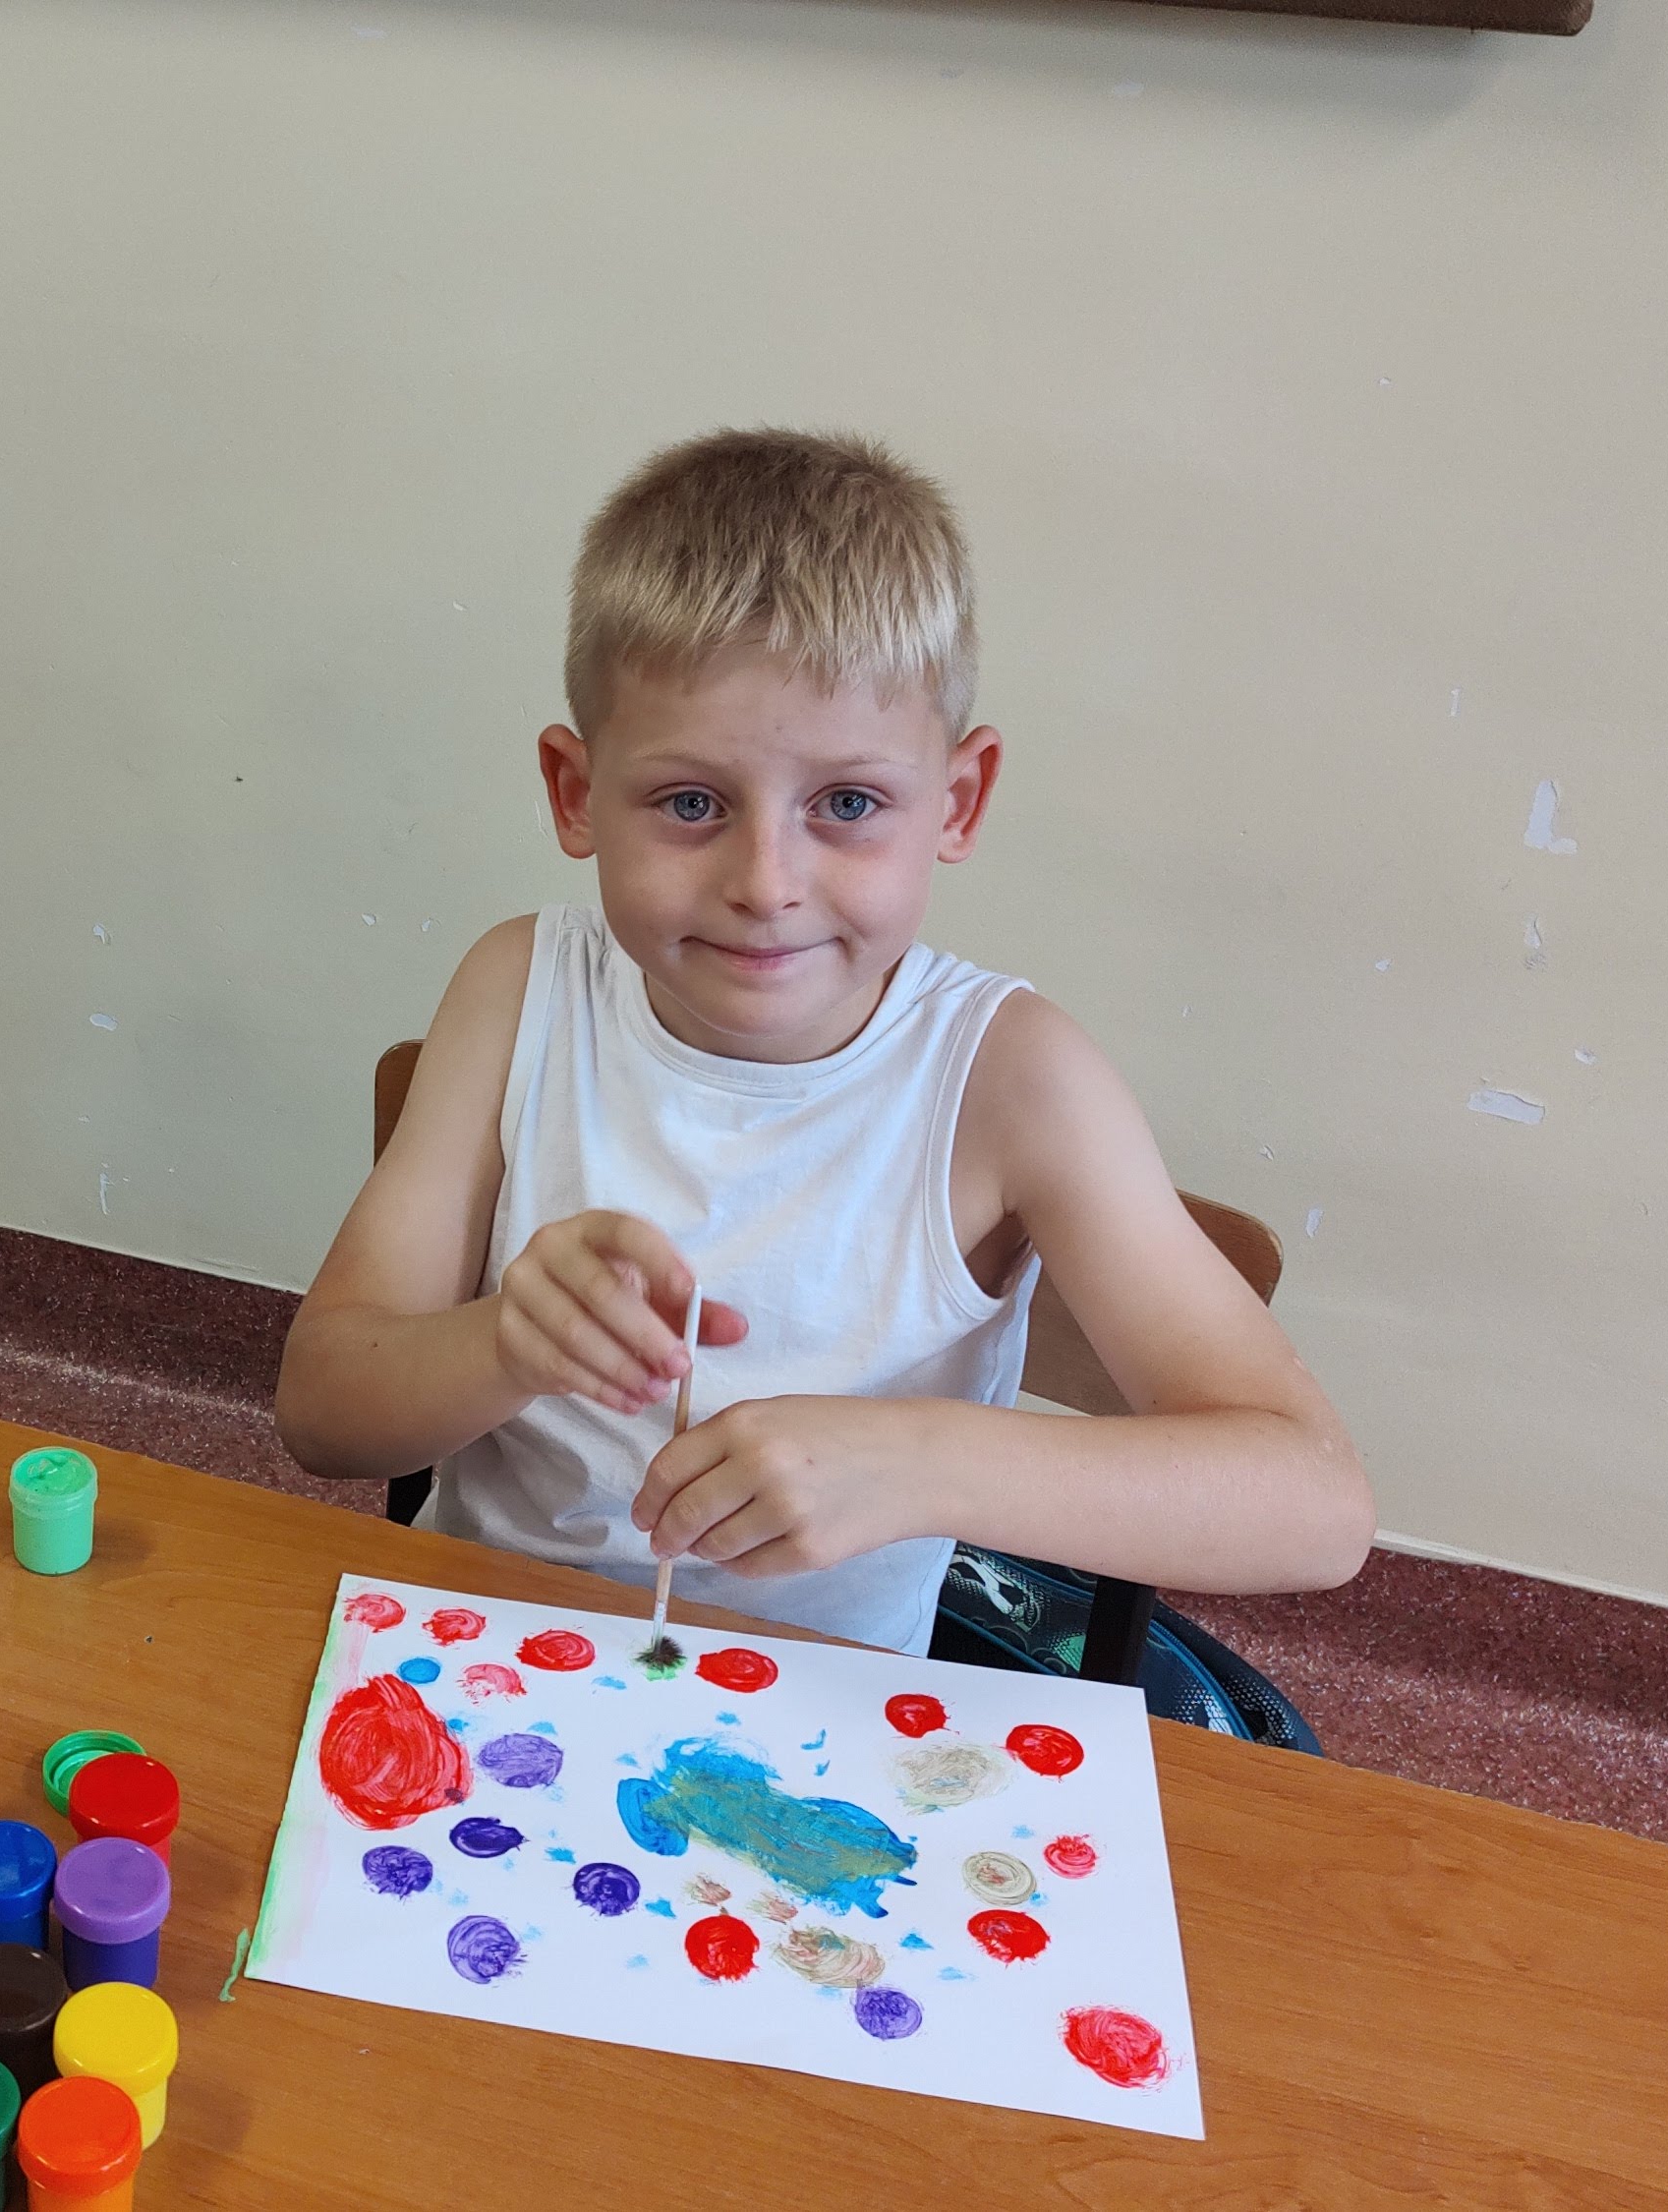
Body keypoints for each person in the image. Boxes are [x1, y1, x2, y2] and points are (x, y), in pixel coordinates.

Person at [274, 430, 1368, 1650]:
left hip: (823, 1713)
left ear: (956, 802)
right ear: (576, 794)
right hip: (482, 1669)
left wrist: (922, 1461)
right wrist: (501, 1345)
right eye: (690, 802)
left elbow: (1314, 1505)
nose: (766, 883)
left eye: (847, 803)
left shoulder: (1012, 1080)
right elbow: (322, 1412)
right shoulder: (516, 990)